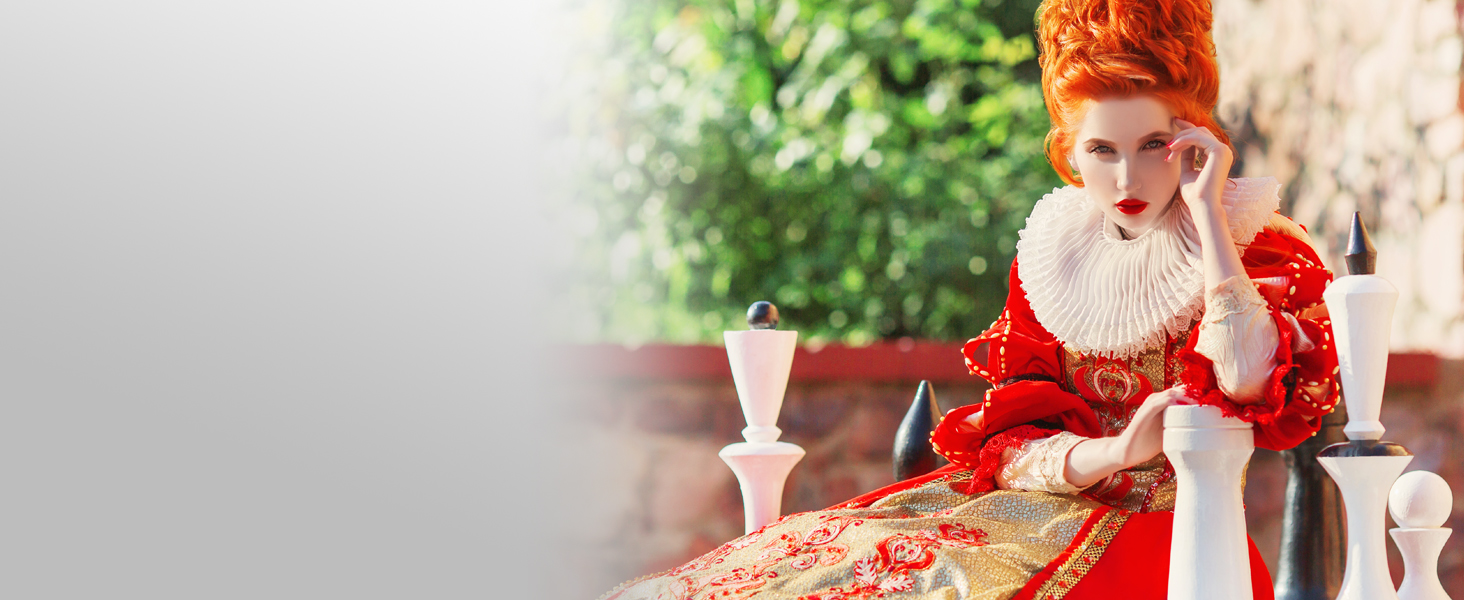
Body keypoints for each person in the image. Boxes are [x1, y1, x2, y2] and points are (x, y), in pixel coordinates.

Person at [601, 0, 1339, 598]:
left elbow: (1253, 383)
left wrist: (1208, 217)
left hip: (1174, 549)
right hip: (1030, 516)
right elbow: (1008, 445)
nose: (1125, 181)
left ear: (1194, 137)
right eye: (1101, 151)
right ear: (1068, 151)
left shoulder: (1257, 246)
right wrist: (1117, 451)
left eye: (1153, 146)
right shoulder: (1056, 255)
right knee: (816, 567)